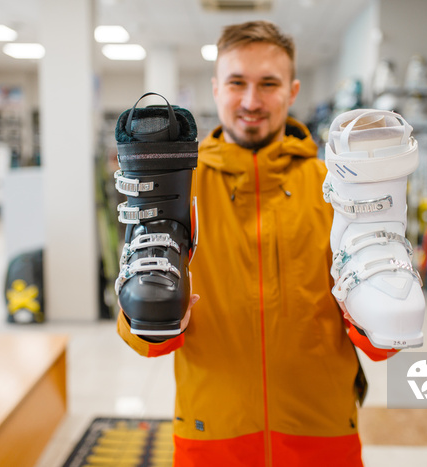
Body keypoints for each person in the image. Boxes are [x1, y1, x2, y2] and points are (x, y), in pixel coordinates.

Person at [117, 20, 397, 466]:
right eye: (237, 83)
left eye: (268, 83)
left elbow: (381, 340)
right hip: (212, 436)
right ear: (215, 88)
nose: (251, 100)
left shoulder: (338, 189)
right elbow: (145, 338)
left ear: (292, 89)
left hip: (321, 434)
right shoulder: (173, 188)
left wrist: (384, 311)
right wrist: (153, 317)